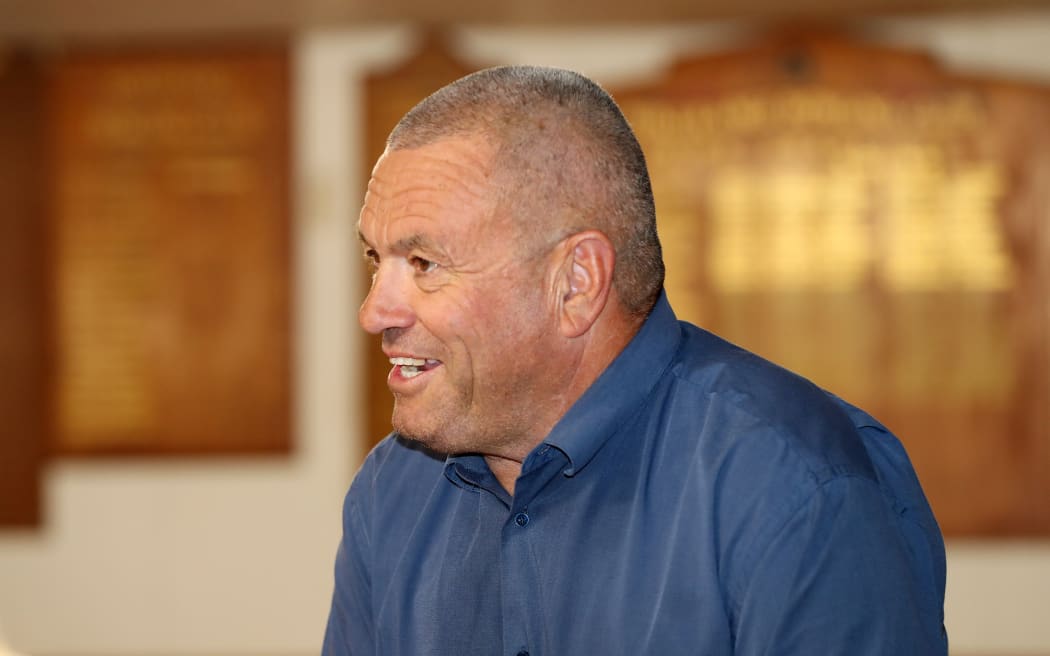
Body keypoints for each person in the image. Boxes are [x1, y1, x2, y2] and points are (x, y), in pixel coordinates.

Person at [323, 65, 947, 655]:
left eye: (425, 264)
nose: (375, 311)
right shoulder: (392, 491)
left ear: (576, 283)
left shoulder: (793, 485)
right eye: (377, 261)